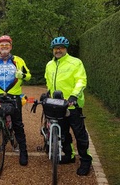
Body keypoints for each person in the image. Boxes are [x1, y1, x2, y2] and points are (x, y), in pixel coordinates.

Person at [44, 36, 92, 176]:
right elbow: (48, 81)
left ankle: (85, 160)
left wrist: (73, 96)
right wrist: (48, 93)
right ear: (53, 50)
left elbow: (81, 80)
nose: (58, 50)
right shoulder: (49, 65)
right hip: (57, 105)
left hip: (72, 105)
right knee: (63, 133)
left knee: (79, 134)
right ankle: (69, 155)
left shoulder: (75, 62)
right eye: (56, 48)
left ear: (65, 49)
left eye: (61, 48)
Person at [0, 35, 31, 166]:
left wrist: (23, 76)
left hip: (14, 96)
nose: (4, 48)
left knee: (18, 125)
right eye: (2, 46)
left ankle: (23, 152)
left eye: (7, 45)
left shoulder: (18, 60)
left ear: (10, 47)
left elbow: (28, 76)